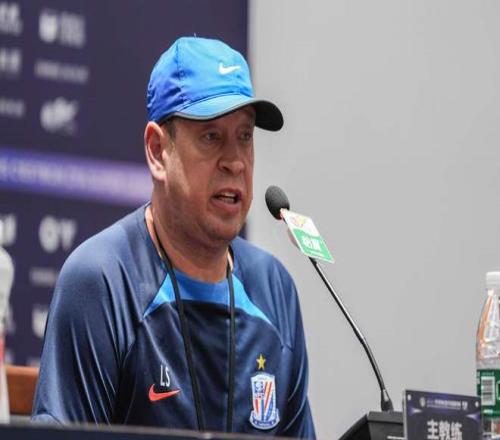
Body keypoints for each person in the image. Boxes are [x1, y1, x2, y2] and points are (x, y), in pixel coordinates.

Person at [32, 36, 315, 438]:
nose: (235, 162)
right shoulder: (101, 281)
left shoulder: (274, 289)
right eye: (211, 136)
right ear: (157, 151)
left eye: (245, 136)